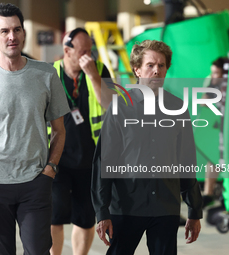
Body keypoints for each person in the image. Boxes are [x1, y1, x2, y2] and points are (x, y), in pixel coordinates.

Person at [0, 3, 69, 255]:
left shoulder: (46, 74)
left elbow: (60, 130)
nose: (12, 36)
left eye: (17, 29)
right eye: (5, 31)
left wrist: (50, 169)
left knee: (39, 250)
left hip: (35, 182)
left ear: (24, 32)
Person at [92, 40, 203, 255]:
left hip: (165, 206)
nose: (156, 71)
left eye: (161, 66)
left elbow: (187, 162)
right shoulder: (120, 109)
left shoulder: (178, 109)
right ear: (137, 69)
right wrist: (102, 211)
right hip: (126, 207)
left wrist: (194, 209)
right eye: (150, 65)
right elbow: (103, 162)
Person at [49, 28, 113, 255]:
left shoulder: (101, 70)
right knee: (54, 216)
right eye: (83, 51)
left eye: (91, 50)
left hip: (90, 158)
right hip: (57, 158)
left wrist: (93, 75)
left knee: (85, 217)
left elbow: (109, 105)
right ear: (67, 51)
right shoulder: (51, 73)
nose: (89, 56)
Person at [202, 57, 229, 208]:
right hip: (221, 128)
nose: (213, 76)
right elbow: (203, 101)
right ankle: (208, 194)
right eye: (212, 72)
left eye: (216, 73)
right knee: (213, 158)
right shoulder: (213, 85)